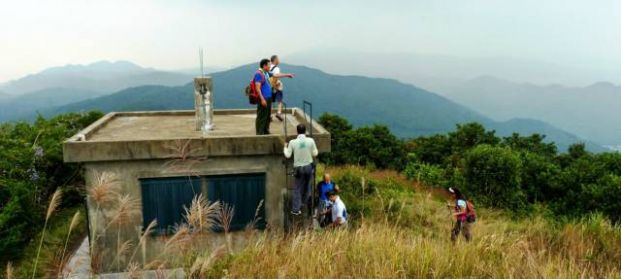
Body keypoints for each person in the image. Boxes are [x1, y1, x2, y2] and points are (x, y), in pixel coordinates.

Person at [284, 124, 319, 215]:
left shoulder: (292, 142)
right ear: (305, 131)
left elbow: (288, 155)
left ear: (297, 131)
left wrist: (285, 147)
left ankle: (296, 209)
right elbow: (315, 154)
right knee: (307, 186)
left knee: (297, 189)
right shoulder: (311, 140)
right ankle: (305, 202)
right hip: (308, 167)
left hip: (299, 169)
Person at [269, 55, 295, 121]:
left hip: (269, 86)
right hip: (276, 85)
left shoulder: (268, 67)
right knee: (279, 100)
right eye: (278, 59)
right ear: (275, 60)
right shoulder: (276, 68)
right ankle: (279, 113)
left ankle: (269, 115)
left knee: (270, 101)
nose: (279, 60)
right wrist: (287, 75)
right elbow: (277, 75)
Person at [254, 58, 273, 135]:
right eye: (269, 65)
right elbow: (257, 88)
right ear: (264, 66)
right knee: (262, 116)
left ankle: (266, 131)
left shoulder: (266, 73)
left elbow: (276, 75)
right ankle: (260, 133)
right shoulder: (259, 74)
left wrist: (287, 75)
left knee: (267, 116)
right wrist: (262, 99)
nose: (270, 67)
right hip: (263, 98)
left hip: (268, 98)